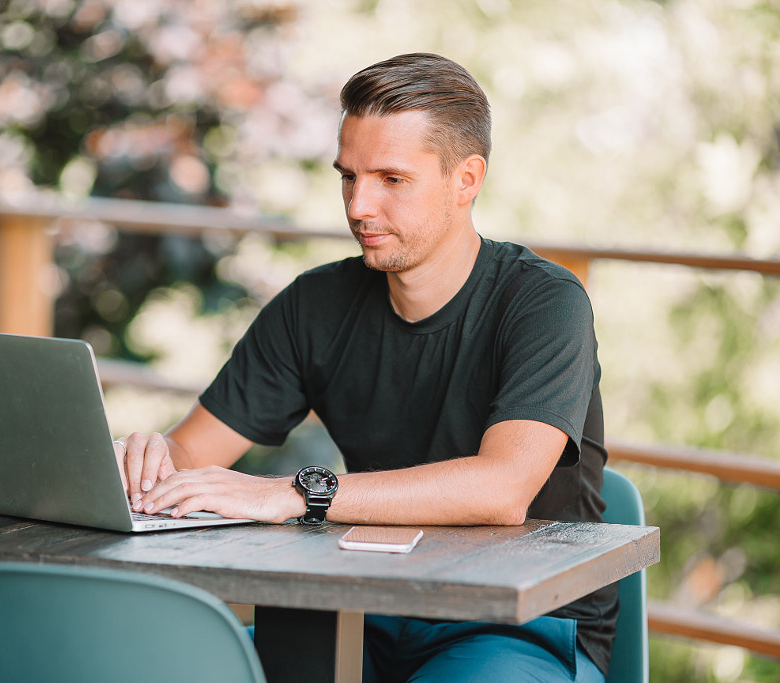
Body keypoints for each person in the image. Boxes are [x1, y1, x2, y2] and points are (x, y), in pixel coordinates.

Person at [114, 52, 615, 683]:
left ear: (467, 179)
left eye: (391, 180)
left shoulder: (545, 302)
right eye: (348, 177)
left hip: (520, 628)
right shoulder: (314, 304)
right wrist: (147, 459)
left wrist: (294, 493)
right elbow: (191, 452)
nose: (358, 206)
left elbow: (502, 488)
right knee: (162, 663)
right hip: (364, 605)